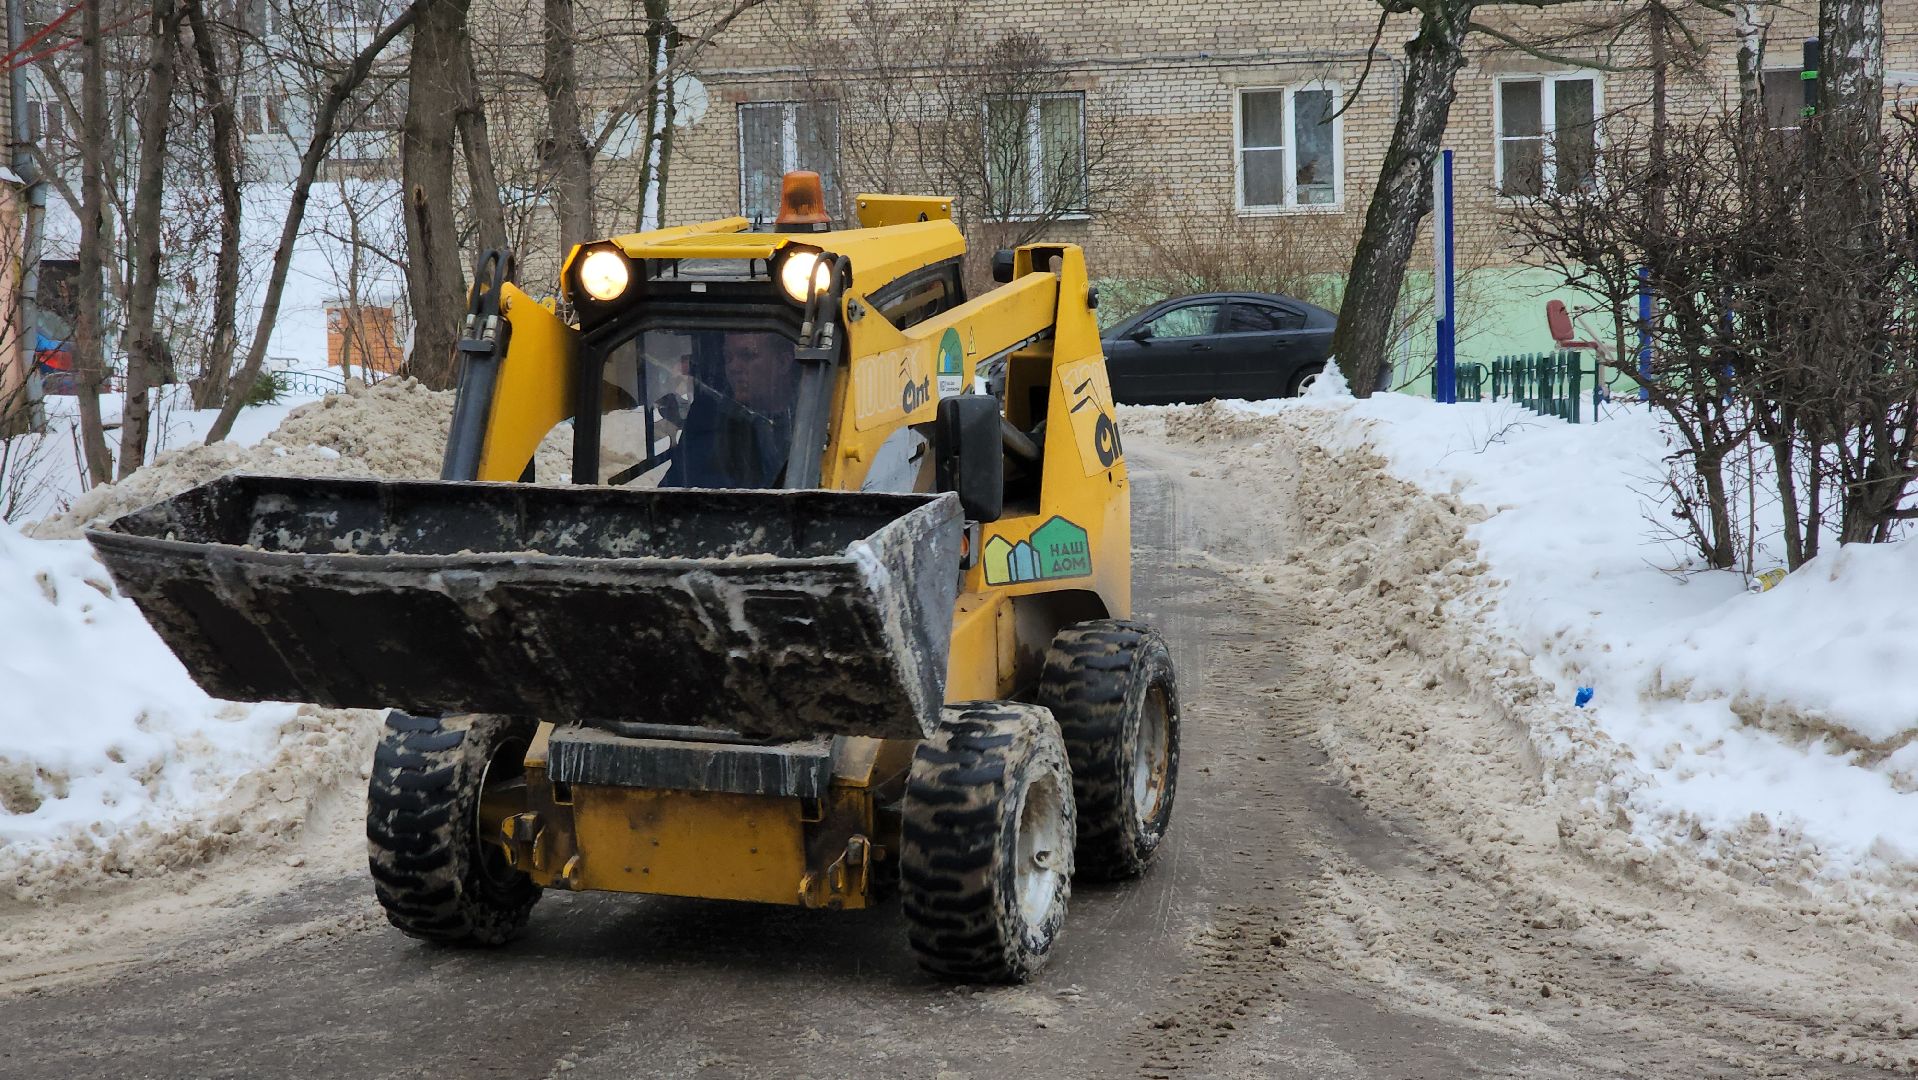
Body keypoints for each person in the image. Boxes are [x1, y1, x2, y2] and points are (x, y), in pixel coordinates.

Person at [666, 331, 798, 489]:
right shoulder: (708, 419)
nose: (733, 367)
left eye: (748, 355)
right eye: (728, 358)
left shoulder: (819, 416)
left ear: (783, 362)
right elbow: (674, 488)